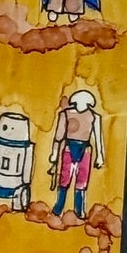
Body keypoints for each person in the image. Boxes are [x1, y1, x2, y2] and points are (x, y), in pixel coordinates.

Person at [51, 89, 104, 217]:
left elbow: (98, 137)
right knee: (64, 178)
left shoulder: (94, 117)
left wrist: (100, 155)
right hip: (69, 147)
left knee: (82, 180)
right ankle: (58, 208)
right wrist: (54, 153)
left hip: (85, 150)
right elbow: (58, 136)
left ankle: (79, 210)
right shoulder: (66, 114)